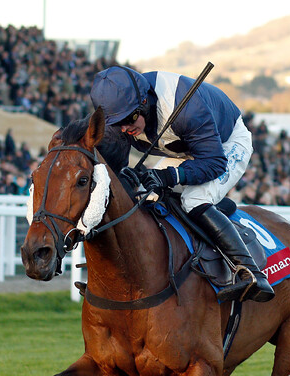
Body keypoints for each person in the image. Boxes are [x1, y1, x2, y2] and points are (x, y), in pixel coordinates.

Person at [90, 65, 273, 302]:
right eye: (118, 123)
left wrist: (171, 177)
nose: (125, 128)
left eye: (130, 118)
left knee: (194, 199)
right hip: (186, 150)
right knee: (143, 196)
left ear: (145, 101)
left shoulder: (186, 108)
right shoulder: (121, 115)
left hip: (224, 147)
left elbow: (214, 162)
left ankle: (249, 272)